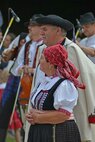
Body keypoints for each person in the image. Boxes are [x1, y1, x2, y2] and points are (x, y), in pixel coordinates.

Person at [28, 14, 95, 142]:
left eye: (45, 29)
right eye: (40, 29)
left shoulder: (71, 49)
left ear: (57, 30)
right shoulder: (42, 49)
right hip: (40, 120)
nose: (41, 33)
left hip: (64, 123)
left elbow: (89, 77)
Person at [26, 44, 85, 142]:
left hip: (58, 132)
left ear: (51, 63)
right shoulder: (44, 82)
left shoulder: (64, 85)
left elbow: (64, 115)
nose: (39, 61)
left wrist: (38, 117)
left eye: (42, 58)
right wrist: (32, 115)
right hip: (41, 130)